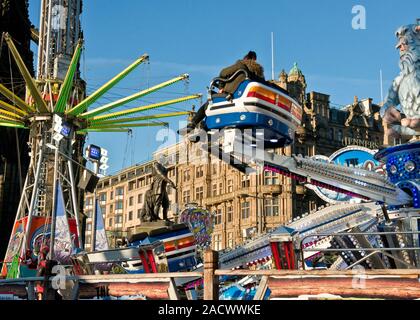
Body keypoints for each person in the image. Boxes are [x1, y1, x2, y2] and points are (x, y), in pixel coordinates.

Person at [179, 51, 265, 134]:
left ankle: (193, 123)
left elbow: (223, 73)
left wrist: (221, 87)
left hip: (231, 95)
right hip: (246, 103)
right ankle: (205, 133)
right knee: (222, 116)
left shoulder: (240, 66)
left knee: (209, 104)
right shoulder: (259, 74)